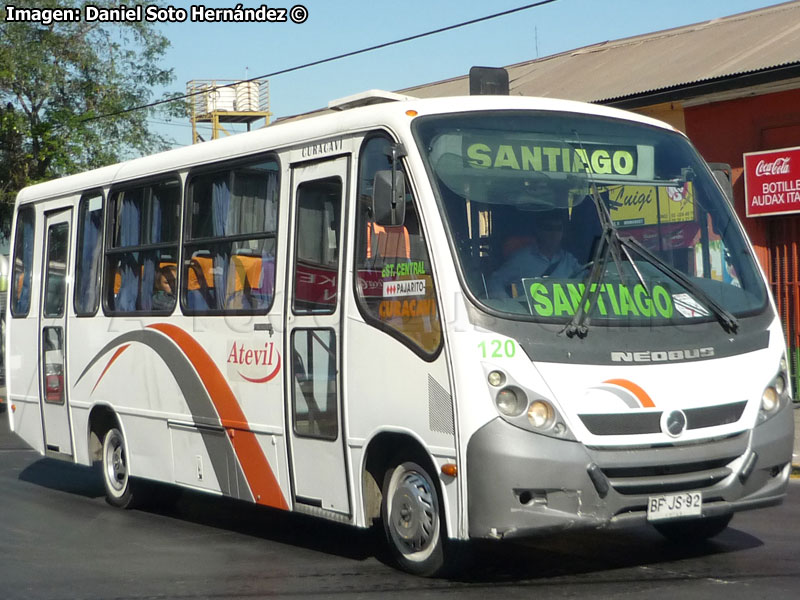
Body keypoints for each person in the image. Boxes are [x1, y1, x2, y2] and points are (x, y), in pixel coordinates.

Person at [488, 209, 580, 298]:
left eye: (558, 229)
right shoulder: (522, 259)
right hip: (525, 313)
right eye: (549, 228)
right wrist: (507, 304)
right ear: (539, 231)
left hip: (566, 313)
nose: (554, 233)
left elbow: (587, 279)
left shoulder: (569, 260)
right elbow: (495, 281)